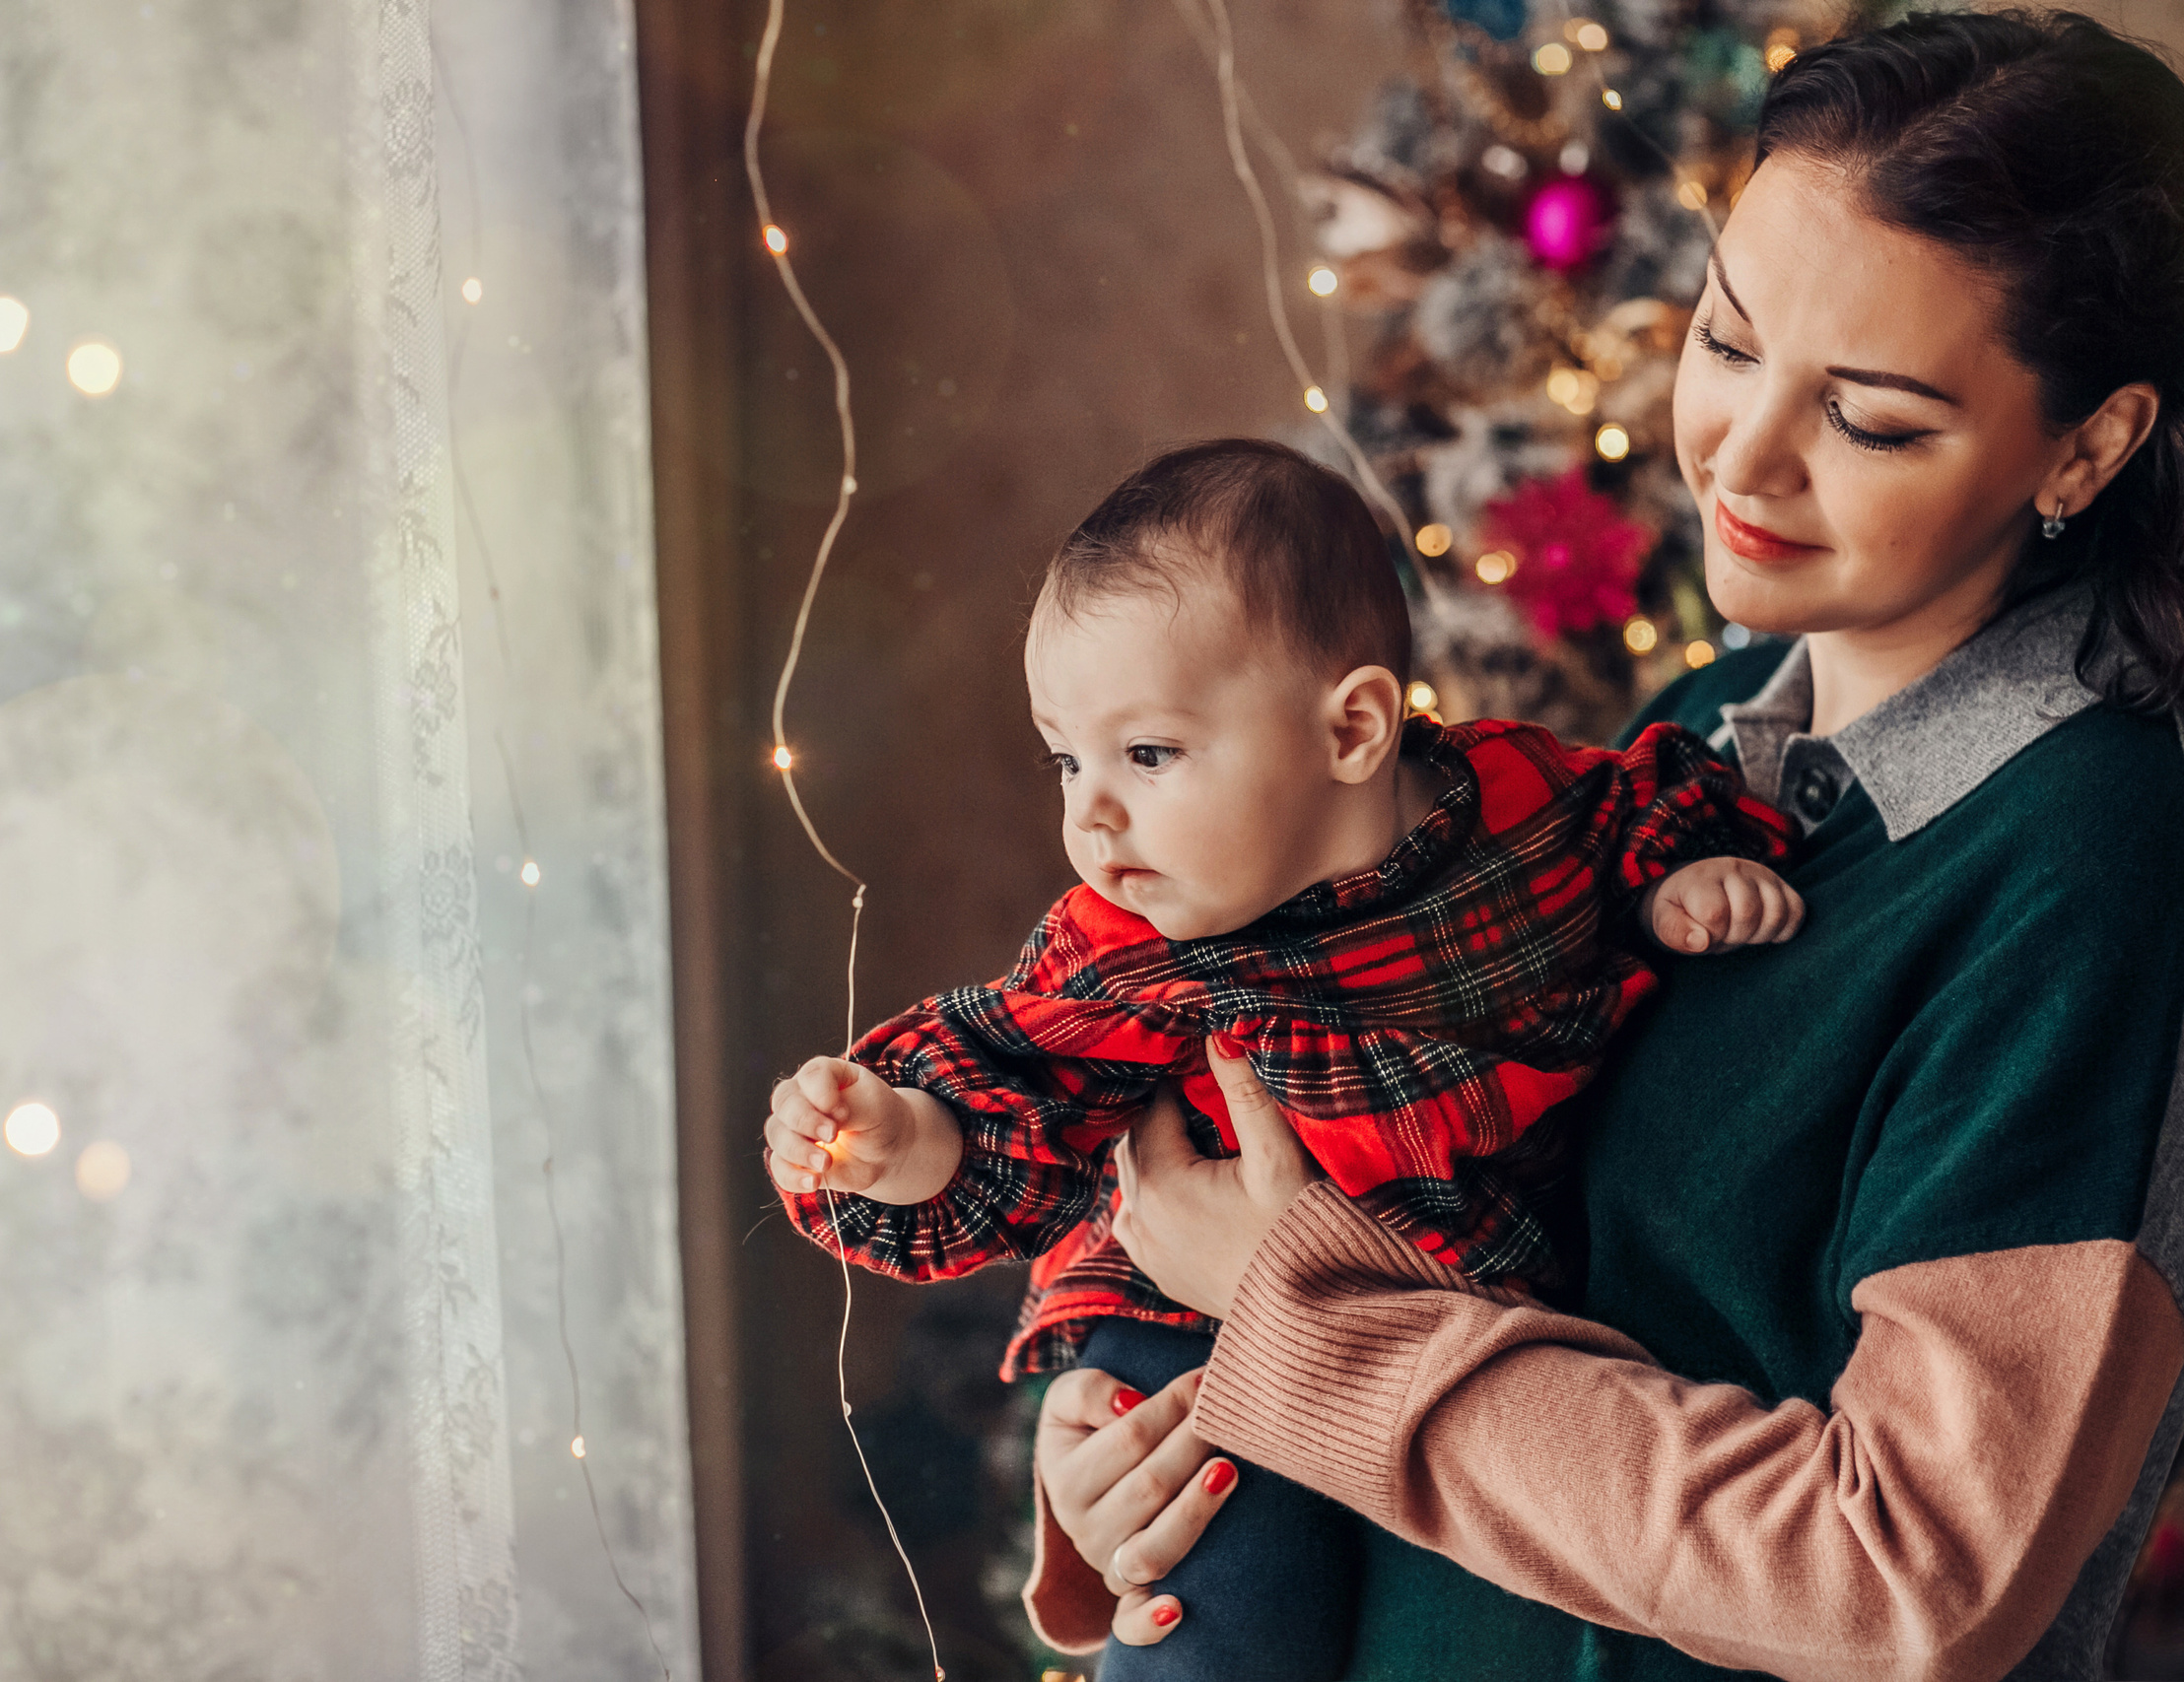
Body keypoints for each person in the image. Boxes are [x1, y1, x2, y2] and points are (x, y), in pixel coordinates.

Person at [1025, 12, 2184, 1681]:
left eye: (1875, 419)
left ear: (2087, 443)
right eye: (1725, 338)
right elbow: (1464, 1211)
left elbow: (1902, 1574)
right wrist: (1138, 1440)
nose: (1743, 459)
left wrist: (1300, 1317)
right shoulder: (1699, 738)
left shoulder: (2077, 871)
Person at [760, 437, 1801, 1680]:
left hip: (1449, 1317)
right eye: (1066, 758)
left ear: (1353, 728)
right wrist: (906, 1140)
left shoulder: (1522, 809)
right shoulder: (1132, 949)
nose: (1087, 813)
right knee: (1223, 1584)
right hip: (1185, 1316)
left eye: (1146, 754)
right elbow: (1014, 1090)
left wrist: (1681, 876)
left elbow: (1634, 805)